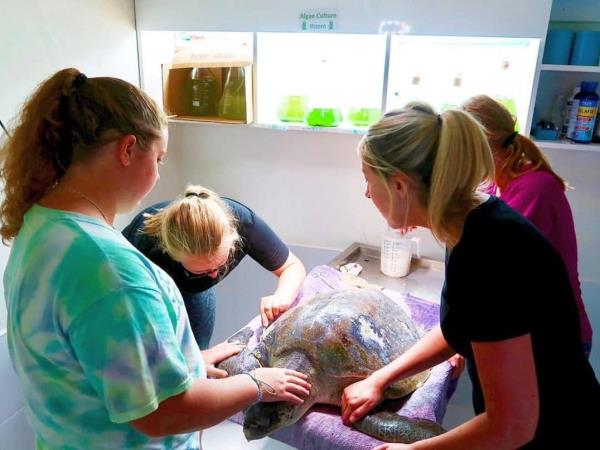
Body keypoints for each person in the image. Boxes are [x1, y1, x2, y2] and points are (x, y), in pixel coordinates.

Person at [0, 68, 310, 450]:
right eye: (160, 158)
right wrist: (257, 383)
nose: (159, 172)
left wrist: (191, 363)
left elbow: (94, 361)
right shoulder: (111, 270)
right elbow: (163, 413)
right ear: (128, 149)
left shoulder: (41, 228)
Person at [340, 103, 599, 449]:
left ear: (400, 185)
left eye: (369, 180)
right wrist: (381, 378)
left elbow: (513, 426)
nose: (367, 193)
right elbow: (462, 326)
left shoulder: (489, 252)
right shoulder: (466, 220)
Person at [462, 94, 593, 358]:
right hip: (527, 334)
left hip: (554, 339)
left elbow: (495, 270)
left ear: (481, 148)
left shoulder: (535, 188)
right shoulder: (493, 184)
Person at [122, 186, 306, 351]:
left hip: (194, 290)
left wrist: (282, 296)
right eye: (202, 271)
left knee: (200, 348)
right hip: (134, 295)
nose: (214, 275)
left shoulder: (242, 222)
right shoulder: (144, 246)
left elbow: (292, 266)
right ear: (170, 253)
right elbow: (152, 360)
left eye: (221, 265)